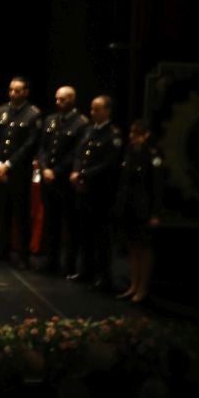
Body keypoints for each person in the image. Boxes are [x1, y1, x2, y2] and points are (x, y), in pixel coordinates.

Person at [69, 95, 123, 288]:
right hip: (83, 189)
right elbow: (78, 154)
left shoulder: (113, 134)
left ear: (107, 111)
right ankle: (85, 270)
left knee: (101, 236)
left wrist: (83, 174)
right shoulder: (88, 130)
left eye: (97, 109)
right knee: (85, 232)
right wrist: (76, 172)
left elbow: (109, 163)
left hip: (100, 191)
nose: (93, 113)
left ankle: (103, 275)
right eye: (91, 109)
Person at [0, 77, 41, 265]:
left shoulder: (33, 114)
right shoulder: (1, 111)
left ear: (25, 92)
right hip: (0, 169)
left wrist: (8, 164)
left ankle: (23, 255)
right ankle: (2, 250)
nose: (13, 94)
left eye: (17, 90)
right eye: (11, 90)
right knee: (3, 212)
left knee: (21, 214)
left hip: (18, 171)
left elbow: (29, 145)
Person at [36, 85, 88, 274]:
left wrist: (55, 171)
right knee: (51, 222)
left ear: (72, 100)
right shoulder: (50, 120)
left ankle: (69, 264)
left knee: (70, 223)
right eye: (57, 99)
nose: (58, 102)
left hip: (65, 180)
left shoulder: (81, 123)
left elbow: (75, 153)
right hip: (48, 179)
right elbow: (42, 148)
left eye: (63, 99)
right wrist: (44, 168)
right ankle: (52, 261)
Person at [115, 119, 163, 303]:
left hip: (145, 208)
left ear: (146, 135)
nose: (132, 138)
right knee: (132, 247)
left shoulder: (152, 155)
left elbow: (157, 187)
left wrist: (155, 213)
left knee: (144, 248)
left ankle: (143, 288)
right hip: (129, 207)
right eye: (132, 134)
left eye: (136, 134)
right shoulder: (129, 152)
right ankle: (134, 284)